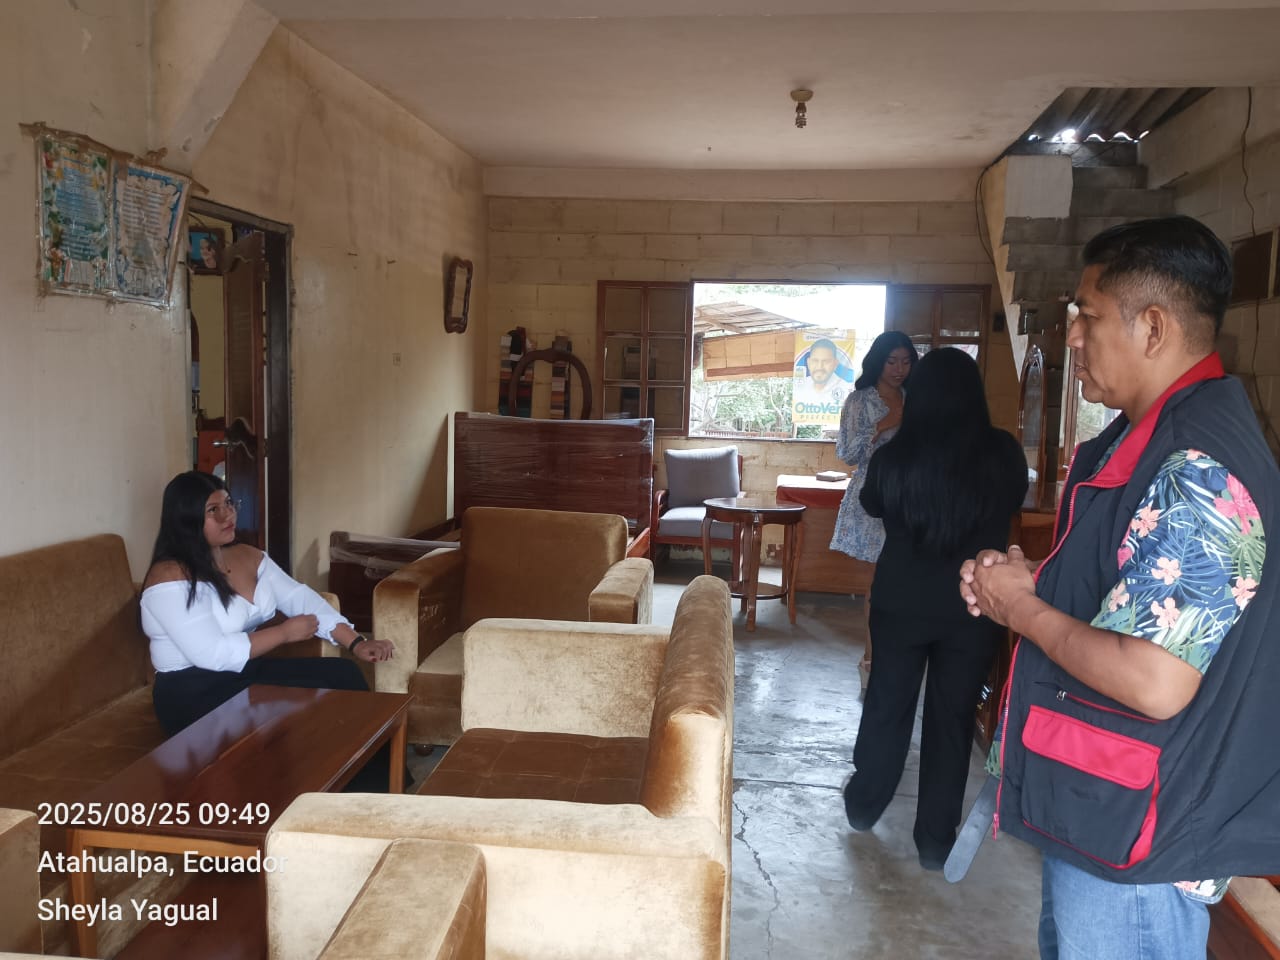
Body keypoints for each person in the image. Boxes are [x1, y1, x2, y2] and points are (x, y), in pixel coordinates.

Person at [960, 216, 1277, 960]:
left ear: (1153, 328)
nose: (1072, 335)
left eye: (1088, 315)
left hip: (1142, 832)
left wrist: (1023, 609)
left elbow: (1154, 679)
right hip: (1103, 810)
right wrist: (1026, 584)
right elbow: (1133, 600)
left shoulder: (1197, 471)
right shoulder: (1137, 441)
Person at [842, 347, 1027, 870]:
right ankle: (934, 841)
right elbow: (1013, 498)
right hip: (974, 604)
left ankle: (865, 803)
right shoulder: (1004, 453)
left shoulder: (895, 456)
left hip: (901, 598)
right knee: (952, 716)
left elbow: (872, 503)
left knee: (888, 701)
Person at [141, 470, 395, 737]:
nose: (227, 515)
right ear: (186, 519)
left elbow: (301, 599)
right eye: (213, 510)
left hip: (242, 672)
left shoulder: (247, 556)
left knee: (343, 674)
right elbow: (212, 654)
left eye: (228, 503)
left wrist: (356, 643)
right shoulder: (169, 576)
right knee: (305, 710)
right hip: (193, 691)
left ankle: (373, 763)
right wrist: (284, 633)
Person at [793, 338, 851, 415]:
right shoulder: (801, 387)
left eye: (826, 361)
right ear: (808, 363)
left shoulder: (846, 389)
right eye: (815, 361)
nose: (819, 367)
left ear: (835, 364)